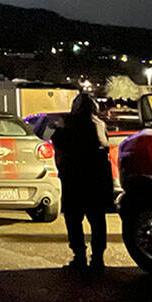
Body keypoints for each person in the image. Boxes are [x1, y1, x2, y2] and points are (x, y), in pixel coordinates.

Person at [53, 93, 113, 271]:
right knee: (97, 219)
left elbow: (58, 142)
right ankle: (98, 258)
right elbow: (105, 147)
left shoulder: (69, 124)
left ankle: (80, 256)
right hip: (95, 179)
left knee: (74, 219)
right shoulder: (99, 124)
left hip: (74, 178)